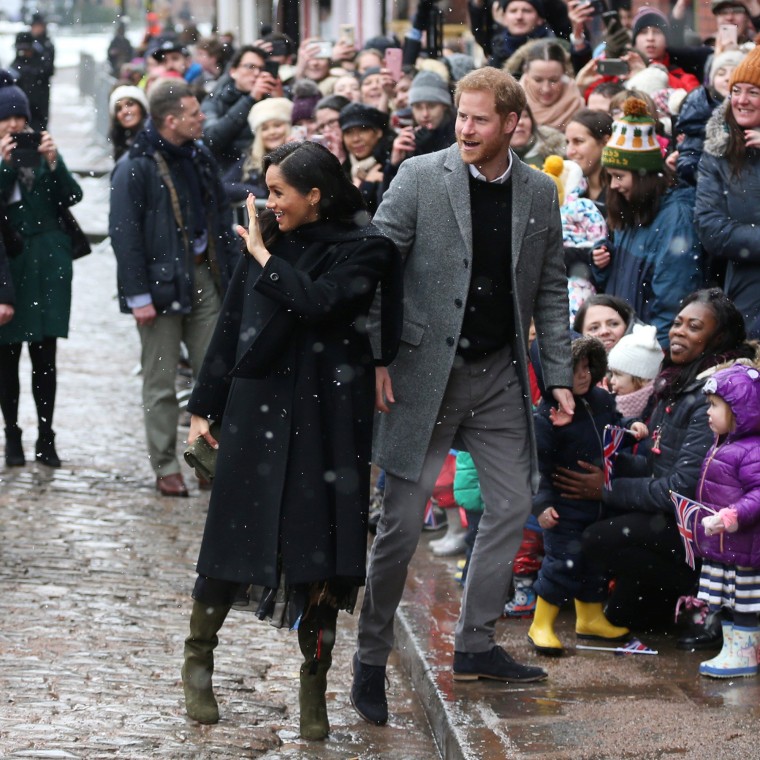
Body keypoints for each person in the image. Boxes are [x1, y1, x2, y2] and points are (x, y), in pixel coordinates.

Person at [350, 65, 574, 726]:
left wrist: (556, 373)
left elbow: (553, 288)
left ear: (513, 124)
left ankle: (476, 644)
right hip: (423, 375)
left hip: (499, 374)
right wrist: (378, 357)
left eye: (480, 119)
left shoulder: (539, 192)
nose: (466, 129)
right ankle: (369, 657)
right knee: (397, 527)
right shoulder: (421, 177)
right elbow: (375, 267)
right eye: (462, 116)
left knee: (510, 505)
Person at [180, 141, 402, 739]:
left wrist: (261, 255)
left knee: (320, 553)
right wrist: (204, 406)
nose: (269, 202)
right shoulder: (270, 239)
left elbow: (321, 303)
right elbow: (232, 324)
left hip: (330, 413)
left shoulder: (369, 248)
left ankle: (314, 691)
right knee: (234, 536)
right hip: (259, 405)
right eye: (268, 191)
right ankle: (198, 657)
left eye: (280, 192)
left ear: (316, 196)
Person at [556, 289, 756, 632]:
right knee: (624, 618)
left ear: (718, 338)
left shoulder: (716, 394)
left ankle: (697, 593)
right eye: (678, 323)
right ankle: (662, 602)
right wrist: (603, 468)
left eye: (694, 327)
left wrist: (605, 490)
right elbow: (654, 461)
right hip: (667, 517)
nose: (678, 332)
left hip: (701, 528)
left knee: (597, 538)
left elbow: (681, 489)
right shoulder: (678, 383)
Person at [109, 80, 237, 497]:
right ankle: (165, 466)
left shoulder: (197, 154)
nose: (203, 117)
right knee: (161, 381)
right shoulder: (135, 165)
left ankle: (207, 461)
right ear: (170, 120)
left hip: (203, 277)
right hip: (159, 287)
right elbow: (124, 235)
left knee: (213, 375)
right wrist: (139, 297)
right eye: (194, 112)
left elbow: (218, 215)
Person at [527, 335, 645, 655]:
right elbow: (537, 465)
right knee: (563, 563)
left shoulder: (602, 401)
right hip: (564, 508)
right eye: (572, 369)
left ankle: (590, 617)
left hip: (597, 504)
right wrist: (542, 504)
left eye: (587, 367)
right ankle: (541, 623)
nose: (583, 375)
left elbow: (613, 429)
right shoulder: (546, 417)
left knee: (594, 561)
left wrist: (631, 428)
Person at [0, 72, 82, 468]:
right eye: (6, 118)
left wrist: (54, 161)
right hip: (11, 267)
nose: (15, 125)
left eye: (19, 117)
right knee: (6, 358)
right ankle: (12, 434)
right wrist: (2, 166)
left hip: (49, 266)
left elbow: (72, 196)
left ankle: (46, 436)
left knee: (45, 357)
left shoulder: (42, 148)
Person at [592, 98, 702, 347]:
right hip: (626, 346)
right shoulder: (631, 207)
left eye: (619, 176)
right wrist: (603, 264)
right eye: (609, 177)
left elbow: (674, 301)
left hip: (647, 349)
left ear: (644, 176)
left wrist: (653, 354)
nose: (614, 186)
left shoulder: (676, 219)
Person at [692, 363, 760, 678]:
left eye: (715, 405)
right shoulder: (725, 444)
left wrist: (733, 515)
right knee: (729, 601)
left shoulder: (751, 450)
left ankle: (744, 654)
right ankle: (733, 650)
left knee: (744, 603)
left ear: (740, 410)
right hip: (726, 545)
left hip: (744, 545)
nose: (709, 412)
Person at [695, 46, 760, 339]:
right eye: (737, 90)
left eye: (754, 92)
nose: (742, 100)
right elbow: (710, 227)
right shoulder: (717, 154)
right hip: (747, 296)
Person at [201, 45, 279, 172]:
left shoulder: (269, 99)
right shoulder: (215, 101)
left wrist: (279, 99)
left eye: (261, 68)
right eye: (250, 67)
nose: (256, 73)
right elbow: (211, 140)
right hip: (227, 174)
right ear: (233, 71)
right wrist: (250, 99)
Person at [221, 97, 292, 204]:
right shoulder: (251, 160)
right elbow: (225, 185)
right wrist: (260, 193)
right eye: (264, 129)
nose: (272, 132)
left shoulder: (300, 155)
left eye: (277, 126)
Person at [521, 40, 584, 132]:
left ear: (564, 74)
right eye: (538, 80)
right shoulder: (511, 106)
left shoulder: (578, 105)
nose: (546, 89)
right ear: (526, 75)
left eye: (553, 80)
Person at [607, 323, 664, 419]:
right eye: (612, 374)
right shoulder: (613, 400)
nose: (612, 381)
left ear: (642, 378)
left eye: (617, 374)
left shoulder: (658, 406)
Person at [564, 108, 613, 215]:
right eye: (568, 142)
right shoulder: (568, 190)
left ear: (605, 142)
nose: (569, 152)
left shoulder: (621, 190)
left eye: (578, 141)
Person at [10, 31, 54, 132]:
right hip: (21, 112)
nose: (24, 53)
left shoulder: (41, 63)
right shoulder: (15, 66)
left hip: (38, 111)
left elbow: (47, 73)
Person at [510, 103, 566, 167]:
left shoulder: (554, 154)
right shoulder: (498, 162)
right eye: (512, 118)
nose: (520, 122)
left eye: (525, 116)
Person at [108, 85, 149, 162]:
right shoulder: (121, 144)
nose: (125, 111)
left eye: (130, 104)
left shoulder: (155, 139)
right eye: (119, 109)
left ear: (142, 107)